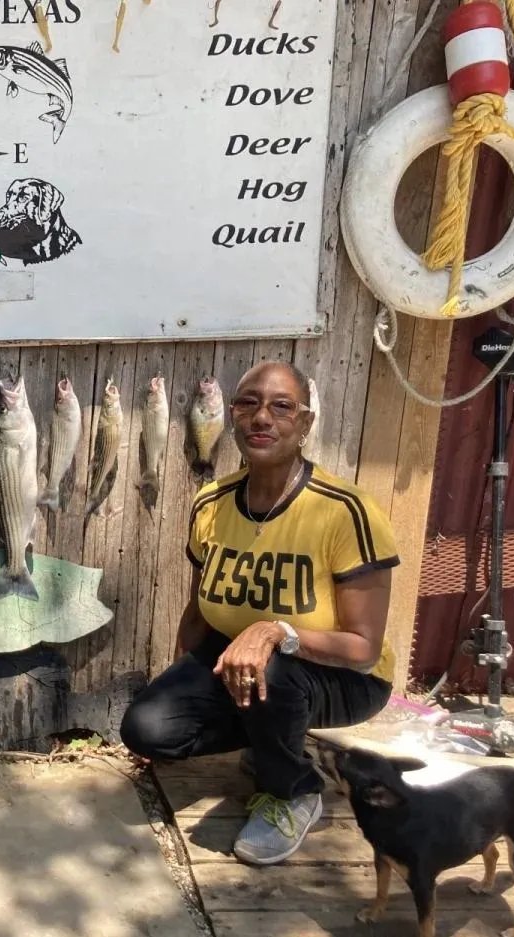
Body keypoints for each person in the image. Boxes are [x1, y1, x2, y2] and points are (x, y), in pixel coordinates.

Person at [120, 361, 398, 866]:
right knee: (147, 729)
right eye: (247, 403)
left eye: (281, 406)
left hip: (340, 676)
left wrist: (277, 631)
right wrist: (182, 685)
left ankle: (293, 791)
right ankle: (274, 738)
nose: (261, 417)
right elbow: (200, 606)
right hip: (237, 661)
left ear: (305, 424)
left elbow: (363, 648)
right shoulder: (212, 501)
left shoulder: (346, 511)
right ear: (232, 417)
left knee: (272, 664)